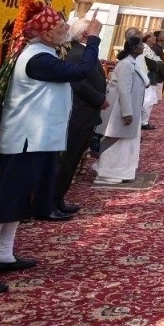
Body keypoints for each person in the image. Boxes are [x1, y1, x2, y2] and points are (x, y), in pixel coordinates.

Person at [0, 4, 101, 296]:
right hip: (24, 142)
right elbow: (81, 70)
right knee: (2, 204)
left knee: (18, 201)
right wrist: (94, 38)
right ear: (46, 34)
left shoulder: (43, 53)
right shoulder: (37, 59)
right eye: (59, 27)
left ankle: (3, 254)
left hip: (36, 141)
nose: (65, 30)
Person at [53, 20, 106, 213]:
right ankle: (52, 200)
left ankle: (58, 199)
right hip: (78, 114)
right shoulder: (76, 53)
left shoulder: (82, 51)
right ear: (85, 34)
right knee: (66, 161)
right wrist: (99, 99)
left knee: (72, 160)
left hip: (86, 115)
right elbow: (78, 83)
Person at [95, 36, 149, 185]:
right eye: (141, 45)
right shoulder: (125, 64)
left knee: (126, 144)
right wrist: (127, 113)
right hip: (119, 111)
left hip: (130, 109)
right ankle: (106, 172)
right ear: (135, 48)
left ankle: (122, 171)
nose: (143, 47)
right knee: (114, 140)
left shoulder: (133, 63)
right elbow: (124, 90)